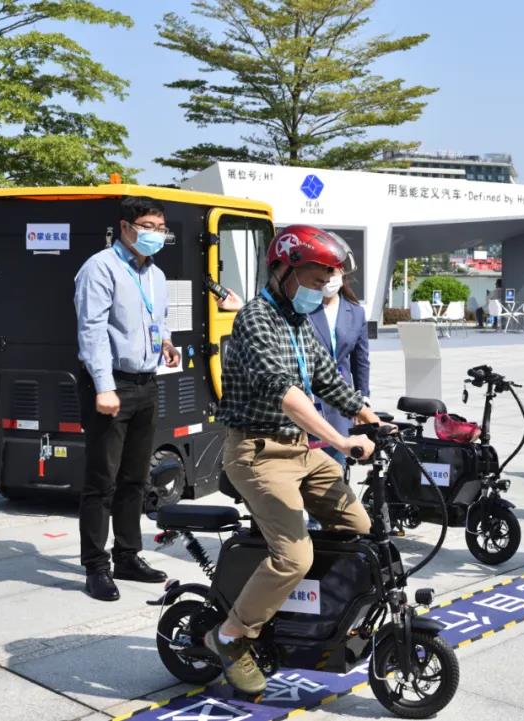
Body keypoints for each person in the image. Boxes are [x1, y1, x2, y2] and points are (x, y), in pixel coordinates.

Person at [208, 225, 384, 693]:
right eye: (317, 275)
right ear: (283, 269)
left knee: (360, 530)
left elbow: (327, 380)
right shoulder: (255, 320)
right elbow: (288, 395)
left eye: (330, 276)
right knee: (294, 555)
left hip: (302, 453)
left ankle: (306, 616)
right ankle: (231, 636)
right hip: (258, 454)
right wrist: (342, 441)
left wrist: (372, 417)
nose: (325, 284)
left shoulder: (297, 320)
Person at [74, 196, 181, 601]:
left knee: (135, 477)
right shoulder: (100, 269)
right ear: (125, 227)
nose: (155, 234)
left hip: (146, 381)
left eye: (160, 227)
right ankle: (96, 567)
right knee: (101, 480)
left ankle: (128, 555)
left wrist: (166, 341)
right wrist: (103, 385)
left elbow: (156, 318)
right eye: (148, 226)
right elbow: (92, 331)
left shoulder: (155, 274)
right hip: (111, 383)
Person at [308, 269, 370, 466]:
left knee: (336, 464)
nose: (328, 278)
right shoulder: (303, 307)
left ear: (343, 273)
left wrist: (363, 400)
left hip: (341, 400)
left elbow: (360, 360)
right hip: (310, 396)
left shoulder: (356, 312)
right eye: (323, 270)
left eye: (332, 271)